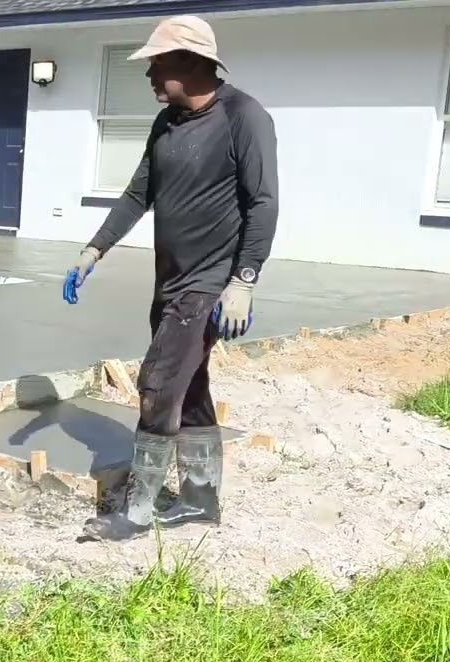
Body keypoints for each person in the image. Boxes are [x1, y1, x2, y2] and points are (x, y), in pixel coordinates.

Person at [62, 15, 279, 541]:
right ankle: (202, 500)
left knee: (158, 386)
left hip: (208, 286)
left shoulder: (243, 117)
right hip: (170, 282)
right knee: (191, 386)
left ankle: (135, 512)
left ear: (191, 62)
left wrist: (243, 280)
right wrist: (95, 249)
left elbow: (264, 203)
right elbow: (140, 193)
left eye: (157, 64)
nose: (149, 75)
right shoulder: (168, 123)